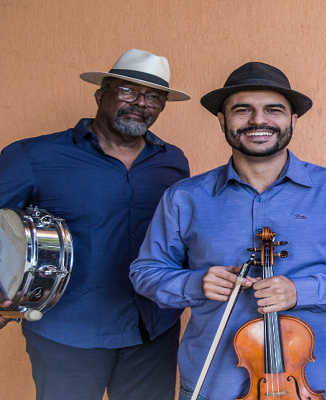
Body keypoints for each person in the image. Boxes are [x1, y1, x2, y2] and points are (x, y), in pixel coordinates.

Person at [130, 62, 326, 400]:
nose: (258, 120)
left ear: (293, 120)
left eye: (273, 109)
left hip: (314, 384)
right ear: (222, 119)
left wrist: (302, 291)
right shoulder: (184, 197)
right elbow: (145, 273)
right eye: (242, 110)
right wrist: (193, 283)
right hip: (214, 384)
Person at [0, 49, 191, 399]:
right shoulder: (31, 156)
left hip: (153, 329)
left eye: (153, 97)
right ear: (101, 93)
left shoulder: (173, 161)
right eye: (128, 91)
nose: (140, 103)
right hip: (67, 332)